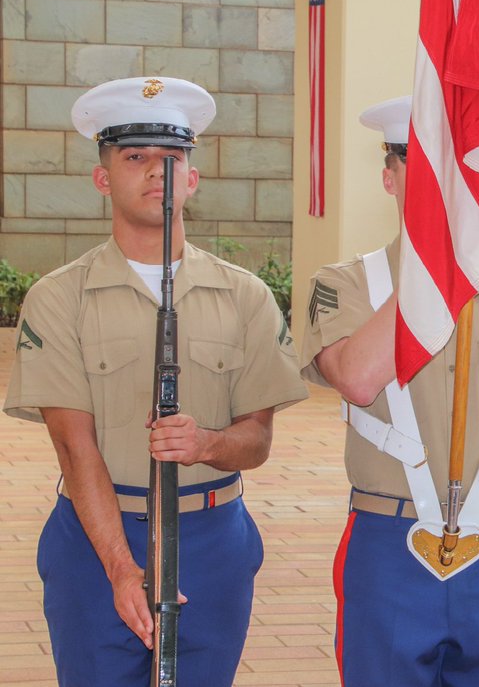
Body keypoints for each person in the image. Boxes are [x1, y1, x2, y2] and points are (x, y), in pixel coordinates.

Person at [4, 77, 309, 687]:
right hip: (97, 539)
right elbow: (73, 444)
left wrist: (207, 445)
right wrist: (121, 567)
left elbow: (258, 440)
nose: (155, 173)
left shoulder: (244, 296)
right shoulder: (60, 297)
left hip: (212, 538)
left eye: (172, 159)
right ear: (103, 177)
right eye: (134, 157)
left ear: (191, 178)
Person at [299, 96, 479, 687]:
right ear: (390, 177)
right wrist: (431, 266)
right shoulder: (347, 285)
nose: (443, 185)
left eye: (457, 169)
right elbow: (355, 378)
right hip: (390, 544)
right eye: (424, 167)